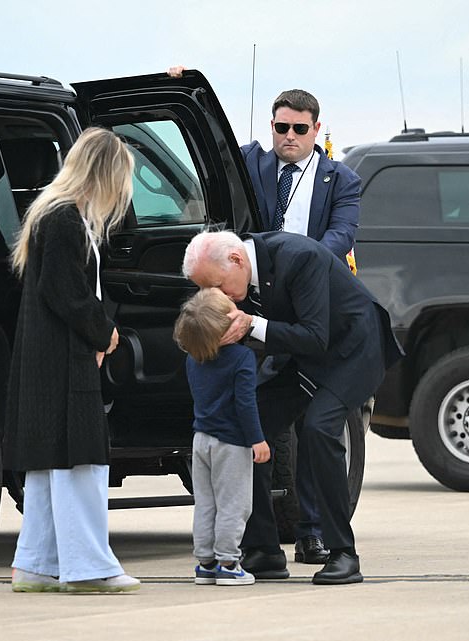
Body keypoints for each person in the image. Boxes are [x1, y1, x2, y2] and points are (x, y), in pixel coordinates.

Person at [167, 69, 361, 567]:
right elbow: (208, 160)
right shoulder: (252, 161)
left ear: (317, 129)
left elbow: (339, 238)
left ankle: (313, 530)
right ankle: (259, 542)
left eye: (298, 129)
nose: (288, 138)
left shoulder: (343, 180)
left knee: (314, 426)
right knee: (251, 409)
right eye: (280, 128)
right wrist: (184, 79)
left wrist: (297, 268)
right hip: (250, 304)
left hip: (309, 307)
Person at [182, 230, 402, 585]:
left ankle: (343, 553)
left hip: (352, 349)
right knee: (245, 430)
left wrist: (252, 324)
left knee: (319, 428)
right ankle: (264, 550)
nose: (220, 298)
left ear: (237, 260)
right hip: (300, 355)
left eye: (220, 287)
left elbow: (316, 337)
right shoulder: (236, 278)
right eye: (210, 292)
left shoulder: (299, 257)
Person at [2, 127, 140, 594]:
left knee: (49, 464)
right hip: (64, 357)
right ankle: (89, 568)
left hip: (48, 358)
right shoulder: (63, 219)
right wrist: (105, 332)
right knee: (80, 462)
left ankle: (36, 565)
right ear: (103, 173)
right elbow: (66, 293)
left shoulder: (55, 214)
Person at [173, 287, 270, 586]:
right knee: (235, 504)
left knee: (206, 503)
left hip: (201, 439)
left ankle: (205, 562)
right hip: (232, 442)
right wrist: (257, 439)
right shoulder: (241, 358)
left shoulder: (194, 358)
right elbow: (245, 402)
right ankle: (228, 563)